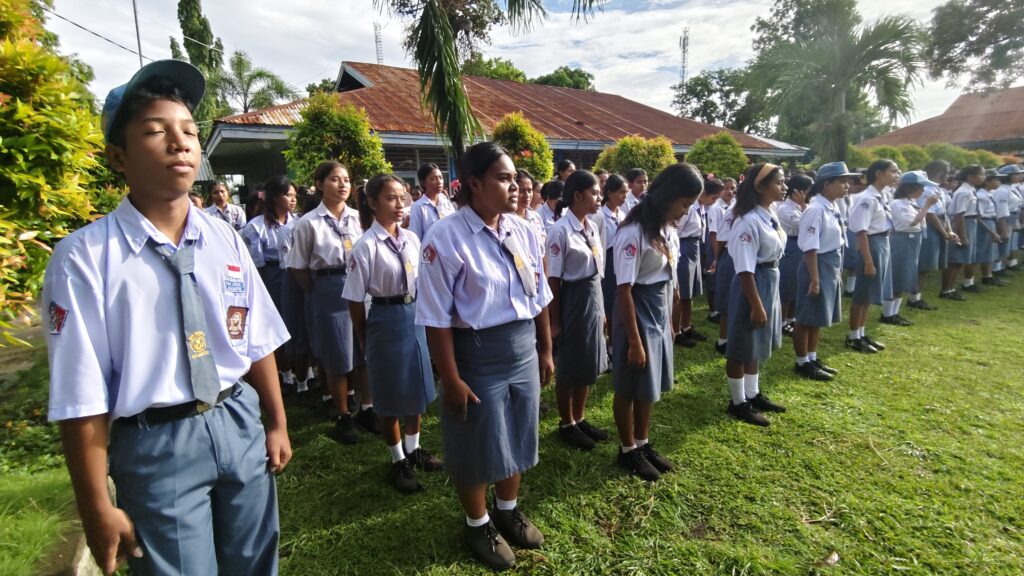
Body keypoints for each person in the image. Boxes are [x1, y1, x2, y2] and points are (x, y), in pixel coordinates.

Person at [44, 60, 290, 576]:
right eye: (156, 131)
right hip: (156, 441)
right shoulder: (85, 257)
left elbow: (255, 338)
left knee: (255, 560)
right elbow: (81, 392)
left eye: (190, 131)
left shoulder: (224, 238)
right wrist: (95, 505)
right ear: (118, 156)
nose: (180, 143)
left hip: (236, 416)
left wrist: (275, 422)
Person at [416, 142, 553, 571]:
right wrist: (450, 377)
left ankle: (507, 509)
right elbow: (435, 318)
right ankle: (477, 524)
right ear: (474, 184)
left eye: (515, 178)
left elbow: (540, 295)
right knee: (476, 441)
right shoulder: (446, 237)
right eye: (503, 178)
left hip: (521, 346)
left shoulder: (522, 230)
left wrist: (545, 348)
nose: (515, 186)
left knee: (517, 431)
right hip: (476, 354)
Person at [344, 173, 442, 493]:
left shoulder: (411, 238)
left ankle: (414, 448)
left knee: (416, 385)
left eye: (402, 198)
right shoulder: (366, 246)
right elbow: (354, 299)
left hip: (414, 316)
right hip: (385, 319)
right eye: (390, 198)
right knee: (389, 392)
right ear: (372, 203)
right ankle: (397, 458)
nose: (399, 205)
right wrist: (364, 338)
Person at [612, 163, 701, 480]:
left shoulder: (667, 229)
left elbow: (670, 277)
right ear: (668, 196)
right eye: (684, 203)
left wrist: (672, 322)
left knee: (648, 383)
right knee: (629, 385)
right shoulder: (632, 232)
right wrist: (634, 342)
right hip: (637, 311)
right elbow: (624, 290)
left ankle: (642, 441)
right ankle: (627, 450)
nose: (686, 211)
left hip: (659, 310)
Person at [286, 161, 373, 443]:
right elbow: (298, 266)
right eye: (335, 179)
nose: (343, 184)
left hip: (360, 287)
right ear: (320, 184)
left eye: (346, 179)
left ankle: (367, 408)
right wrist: (317, 290)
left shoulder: (359, 219)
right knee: (336, 357)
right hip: (327, 290)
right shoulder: (308, 223)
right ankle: (343, 414)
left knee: (364, 351)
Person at [545, 170, 610, 450]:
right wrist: (555, 321)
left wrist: (601, 309)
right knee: (571, 363)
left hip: (593, 295)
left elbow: (597, 270)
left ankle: (580, 417)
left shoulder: (591, 226)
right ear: (577, 196)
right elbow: (554, 280)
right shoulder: (560, 231)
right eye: (594, 193)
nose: (599, 197)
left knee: (588, 360)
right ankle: (566, 422)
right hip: (572, 299)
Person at [723, 163, 788, 426]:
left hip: (769, 278)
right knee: (741, 344)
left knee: (756, 342)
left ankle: (752, 393)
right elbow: (745, 269)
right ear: (760, 187)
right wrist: (756, 305)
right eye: (779, 182)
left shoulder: (769, 212)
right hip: (752, 283)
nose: (784, 187)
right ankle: (738, 402)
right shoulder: (747, 220)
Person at [792, 162, 857, 382]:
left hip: (830, 263)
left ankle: (812, 357)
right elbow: (810, 247)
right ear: (827, 184)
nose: (847, 185)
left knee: (818, 315)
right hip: (817, 264)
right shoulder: (815, 209)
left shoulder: (831, 206)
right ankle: (802, 362)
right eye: (842, 181)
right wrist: (815, 279)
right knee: (806, 315)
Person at [240, 175, 298, 390]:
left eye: (294, 195)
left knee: (297, 322)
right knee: (277, 323)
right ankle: (286, 373)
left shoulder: (298, 221)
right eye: (287, 195)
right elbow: (257, 265)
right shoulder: (255, 227)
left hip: (297, 273)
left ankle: (305, 371)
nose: (293, 199)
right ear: (274, 197)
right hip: (272, 276)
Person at [846, 159, 900, 353]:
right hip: (871, 244)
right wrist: (868, 261)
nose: (896, 175)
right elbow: (861, 232)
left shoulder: (882, 195)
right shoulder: (867, 198)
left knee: (869, 294)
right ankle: (853, 336)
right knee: (862, 293)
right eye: (893, 171)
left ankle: (861, 332)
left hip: (882, 242)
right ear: (878, 173)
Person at [885, 172, 939, 326]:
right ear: (911, 188)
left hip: (912, 242)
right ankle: (887, 314)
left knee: (905, 278)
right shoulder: (897, 204)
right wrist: (927, 206)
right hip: (902, 241)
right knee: (897, 278)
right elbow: (911, 222)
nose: (923, 191)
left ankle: (894, 312)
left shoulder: (911, 203)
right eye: (921, 187)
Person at [672, 174, 718, 348]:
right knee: (681, 293)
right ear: (702, 194)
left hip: (694, 248)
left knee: (689, 293)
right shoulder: (689, 209)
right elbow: (676, 230)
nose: (714, 202)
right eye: (713, 198)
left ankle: (686, 326)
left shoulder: (701, 208)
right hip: (684, 248)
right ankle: (676, 330)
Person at [913, 160, 958, 306]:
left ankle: (917, 296)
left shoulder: (938, 189)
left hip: (940, 226)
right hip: (930, 228)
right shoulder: (926, 189)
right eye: (946, 173)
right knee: (923, 265)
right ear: (939, 172)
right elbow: (930, 215)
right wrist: (944, 232)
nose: (948, 176)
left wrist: (949, 230)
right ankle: (914, 298)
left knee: (928, 266)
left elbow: (943, 213)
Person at [777, 174, 811, 336]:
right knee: (788, 284)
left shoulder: (800, 207)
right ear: (798, 191)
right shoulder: (785, 209)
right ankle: (782, 321)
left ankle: (791, 319)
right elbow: (806, 225)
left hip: (800, 245)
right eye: (807, 190)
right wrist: (804, 205)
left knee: (797, 285)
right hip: (791, 245)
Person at [595, 174, 628, 328]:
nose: (624, 197)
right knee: (608, 300)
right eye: (621, 192)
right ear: (610, 193)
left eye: (626, 192)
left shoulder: (623, 215)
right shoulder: (599, 216)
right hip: (607, 264)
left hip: (621, 263)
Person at [948, 165, 985, 295]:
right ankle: (947, 289)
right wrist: (962, 237)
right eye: (981, 174)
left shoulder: (971, 190)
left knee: (963, 259)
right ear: (970, 176)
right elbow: (959, 215)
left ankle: (952, 288)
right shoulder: (964, 192)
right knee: (956, 260)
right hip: (964, 223)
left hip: (971, 223)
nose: (983, 177)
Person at [705, 177, 736, 326]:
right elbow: (713, 233)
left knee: (724, 278)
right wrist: (716, 255)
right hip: (716, 245)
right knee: (713, 278)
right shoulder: (716, 207)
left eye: (732, 188)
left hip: (729, 246)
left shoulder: (734, 204)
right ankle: (713, 311)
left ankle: (722, 307)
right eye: (726, 188)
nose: (729, 191)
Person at [407, 162, 456, 240]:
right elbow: (415, 237)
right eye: (433, 178)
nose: (439, 182)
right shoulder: (418, 207)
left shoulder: (446, 202)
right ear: (423, 183)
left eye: (440, 177)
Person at [976, 169, 1007, 287]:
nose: (999, 182)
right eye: (996, 179)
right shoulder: (981, 196)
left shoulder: (990, 194)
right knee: (984, 250)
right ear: (987, 182)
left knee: (990, 251)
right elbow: (978, 217)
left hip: (991, 221)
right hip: (985, 223)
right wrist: (991, 232)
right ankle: (982, 277)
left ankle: (988, 275)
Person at [514, 170, 546, 243]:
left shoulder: (536, 217)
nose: (527, 195)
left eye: (529, 190)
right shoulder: (506, 220)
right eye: (522, 191)